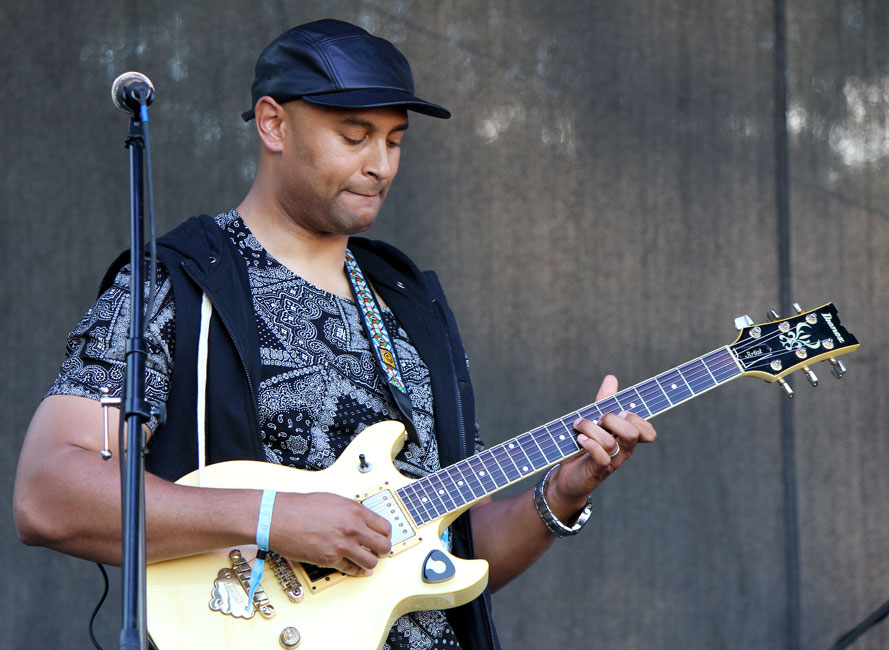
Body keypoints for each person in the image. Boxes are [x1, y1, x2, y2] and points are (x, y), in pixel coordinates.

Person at [13, 18, 656, 650]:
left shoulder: (408, 302)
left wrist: (560, 495)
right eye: (355, 136)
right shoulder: (176, 285)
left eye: (394, 141)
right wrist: (273, 517)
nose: (380, 164)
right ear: (273, 125)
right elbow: (48, 491)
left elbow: (454, 557)